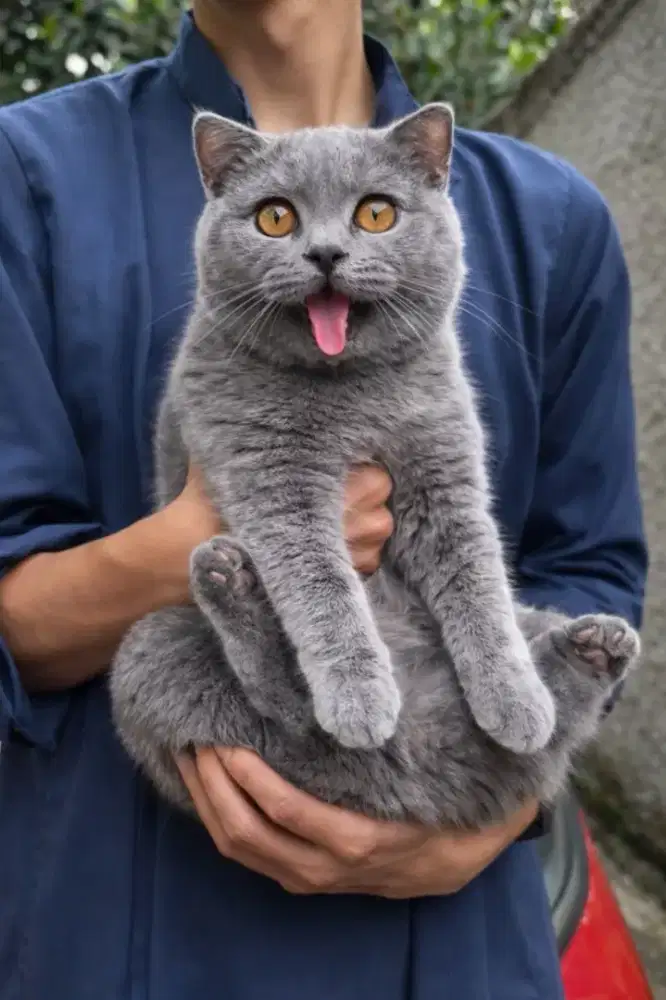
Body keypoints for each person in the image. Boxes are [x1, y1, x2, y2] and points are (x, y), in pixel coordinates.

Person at [0, 1, 646, 998]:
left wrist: (499, 816)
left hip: (456, 935)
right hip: (128, 925)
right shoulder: (26, 176)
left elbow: (593, 570)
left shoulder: (549, 217)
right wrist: (201, 537)